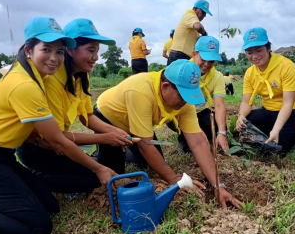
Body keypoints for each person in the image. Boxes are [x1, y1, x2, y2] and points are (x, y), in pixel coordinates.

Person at [0, 17, 118, 234]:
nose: (54, 58)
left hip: (3, 156)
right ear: (28, 50)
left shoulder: (39, 79)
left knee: (50, 205)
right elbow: (56, 141)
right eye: (46, 49)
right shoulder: (24, 84)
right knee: (38, 227)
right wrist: (99, 168)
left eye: (59, 51)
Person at [94, 59, 242, 209]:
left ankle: (128, 149)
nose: (185, 102)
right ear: (165, 87)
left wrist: (218, 186)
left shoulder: (184, 102)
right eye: (182, 96)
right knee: (113, 176)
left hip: (137, 126)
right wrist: (175, 180)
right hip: (108, 119)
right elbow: (147, 147)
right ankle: (100, 154)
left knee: (150, 162)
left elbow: (198, 142)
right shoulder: (141, 91)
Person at [17, 18, 132, 195]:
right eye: (91, 50)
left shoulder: (82, 76)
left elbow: (88, 117)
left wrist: (115, 132)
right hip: (38, 148)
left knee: (106, 170)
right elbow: (54, 139)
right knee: (91, 180)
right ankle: (29, 178)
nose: (96, 57)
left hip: (58, 144)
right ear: (69, 50)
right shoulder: (53, 79)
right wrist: (105, 138)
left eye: (97, 51)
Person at [236, 27, 295, 153]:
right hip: (267, 112)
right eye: (249, 52)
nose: (254, 56)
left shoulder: (287, 67)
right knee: (242, 126)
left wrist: (277, 129)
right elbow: (246, 102)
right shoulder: (250, 73)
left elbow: (288, 103)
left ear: (268, 48)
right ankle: (270, 131)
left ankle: (291, 137)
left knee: (277, 151)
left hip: (290, 114)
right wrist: (241, 115)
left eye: (259, 50)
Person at [167, 36, 229, 153]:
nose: (206, 64)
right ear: (194, 54)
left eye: (210, 60)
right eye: (203, 59)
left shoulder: (217, 76)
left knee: (218, 127)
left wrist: (222, 132)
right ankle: (185, 140)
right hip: (178, 113)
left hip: (200, 113)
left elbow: (219, 105)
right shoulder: (181, 70)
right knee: (190, 142)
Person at [168, 0, 212, 65]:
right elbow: (198, 27)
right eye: (203, 12)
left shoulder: (192, 25)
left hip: (182, 56)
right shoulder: (190, 15)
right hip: (179, 56)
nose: (204, 15)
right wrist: (204, 33)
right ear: (195, 9)